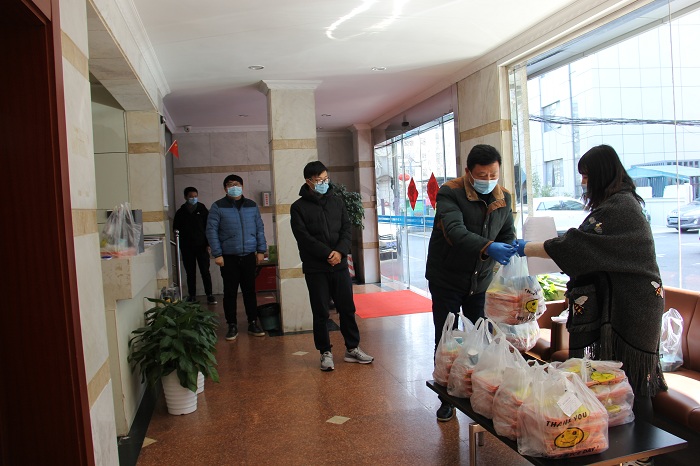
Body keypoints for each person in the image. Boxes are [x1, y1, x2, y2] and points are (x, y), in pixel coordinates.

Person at [514, 144, 667, 427]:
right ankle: (617, 441)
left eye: (586, 175)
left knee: (635, 381)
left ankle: (643, 446)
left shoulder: (620, 207)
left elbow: (578, 246)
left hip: (635, 306)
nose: (583, 182)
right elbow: (585, 243)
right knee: (614, 380)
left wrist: (528, 248)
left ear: (601, 174)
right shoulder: (617, 203)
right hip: (626, 299)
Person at [425, 144, 517, 422]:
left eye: (493, 174)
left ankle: (478, 393)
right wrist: (489, 247)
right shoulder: (449, 193)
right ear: (468, 172)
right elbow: (455, 231)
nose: (488, 180)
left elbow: (507, 231)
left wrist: (510, 246)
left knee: (482, 340)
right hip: (447, 278)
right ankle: (446, 398)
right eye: (482, 175)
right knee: (448, 339)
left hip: (481, 280)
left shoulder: (504, 197)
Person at [290, 161, 373, 371]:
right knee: (320, 312)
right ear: (308, 181)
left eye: (326, 179)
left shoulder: (337, 201)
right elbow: (303, 237)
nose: (324, 183)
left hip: (340, 265)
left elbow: (346, 229)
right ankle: (325, 352)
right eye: (319, 180)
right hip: (316, 268)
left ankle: (352, 348)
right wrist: (327, 253)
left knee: (347, 308)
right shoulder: (298, 207)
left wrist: (340, 252)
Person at [206, 175, 267, 341]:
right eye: (230, 184)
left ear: (242, 186)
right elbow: (211, 231)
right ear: (225, 188)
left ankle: (253, 322)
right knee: (230, 292)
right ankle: (232, 324)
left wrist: (261, 250)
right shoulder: (218, 206)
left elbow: (259, 228)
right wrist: (217, 254)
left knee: (250, 291)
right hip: (228, 257)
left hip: (248, 255)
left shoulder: (251, 205)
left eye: (237, 184)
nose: (234, 187)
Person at [173, 187, 216, 305]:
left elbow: (209, 227)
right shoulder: (181, 212)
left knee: (205, 271)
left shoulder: (202, 209)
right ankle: (192, 295)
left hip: (202, 246)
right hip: (187, 247)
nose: (193, 198)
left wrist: (209, 244)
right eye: (191, 196)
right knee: (190, 272)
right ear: (185, 197)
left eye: (195, 196)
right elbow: (176, 229)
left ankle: (209, 294)